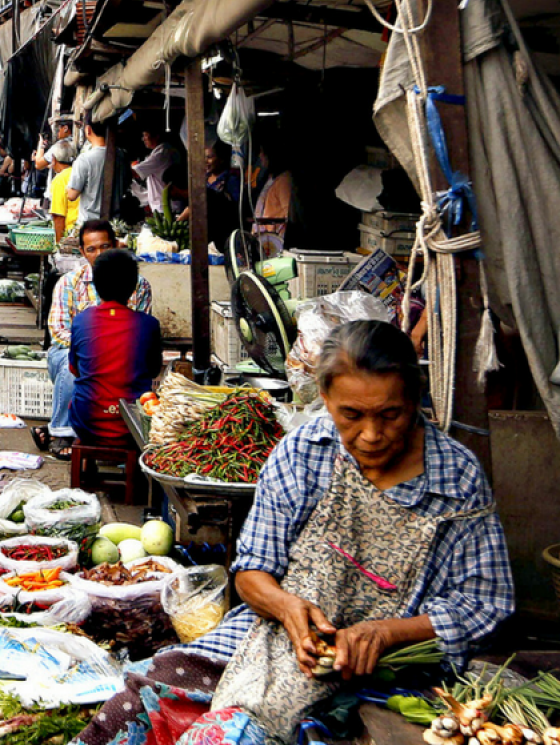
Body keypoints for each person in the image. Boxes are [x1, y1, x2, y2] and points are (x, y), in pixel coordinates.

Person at [73, 320, 514, 745]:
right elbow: (251, 572)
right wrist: (286, 608)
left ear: (416, 397)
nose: (372, 434)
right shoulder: (305, 451)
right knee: (143, 696)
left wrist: (385, 633)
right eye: (351, 415)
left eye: (391, 414)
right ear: (325, 397)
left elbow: (486, 605)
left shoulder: (455, 477)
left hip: (397, 671)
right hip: (277, 641)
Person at [33, 221, 153, 460]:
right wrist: (95, 348)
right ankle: (62, 432)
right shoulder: (68, 283)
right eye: (91, 249)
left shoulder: (139, 285)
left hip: (117, 353)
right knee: (73, 368)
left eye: (105, 247)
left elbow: (140, 331)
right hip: (71, 350)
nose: (98, 255)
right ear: (82, 252)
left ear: (116, 245)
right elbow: (58, 332)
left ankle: (116, 429)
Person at [67, 250, 162, 447]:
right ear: (134, 286)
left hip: (87, 423)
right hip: (133, 426)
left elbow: (74, 369)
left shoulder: (82, 321)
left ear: (95, 284)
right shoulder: (148, 324)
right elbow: (153, 370)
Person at [65, 115, 122, 221]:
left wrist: (67, 187)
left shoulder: (85, 159)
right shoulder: (121, 156)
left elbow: (71, 195)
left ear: (88, 130)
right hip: (116, 223)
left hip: (90, 224)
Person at [131, 121, 183, 215]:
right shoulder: (166, 150)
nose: (143, 139)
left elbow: (135, 173)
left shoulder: (162, 153)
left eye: (145, 135)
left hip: (166, 207)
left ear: (157, 136)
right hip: (165, 206)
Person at [47, 139, 80, 240]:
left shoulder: (59, 180)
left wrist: (59, 244)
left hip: (70, 234)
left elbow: (59, 216)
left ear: (54, 159)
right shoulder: (78, 173)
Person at [206, 139, 242, 204]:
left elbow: (234, 205)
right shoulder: (204, 177)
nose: (205, 161)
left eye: (209, 157)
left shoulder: (231, 180)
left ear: (221, 159)